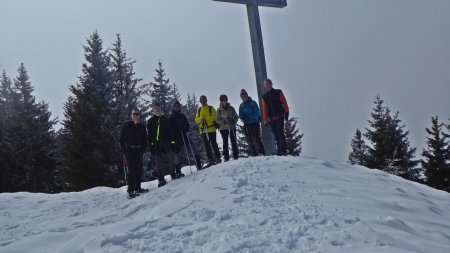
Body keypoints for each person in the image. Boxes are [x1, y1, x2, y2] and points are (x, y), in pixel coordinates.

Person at [147, 103, 177, 187]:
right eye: (156, 109)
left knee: (171, 156)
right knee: (158, 161)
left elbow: (170, 132)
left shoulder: (165, 119)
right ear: (153, 110)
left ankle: (172, 173)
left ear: (161, 110)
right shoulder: (150, 121)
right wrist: (151, 146)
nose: (157, 110)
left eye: (159, 108)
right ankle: (161, 179)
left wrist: (173, 142)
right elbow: (149, 135)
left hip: (166, 141)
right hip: (156, 143)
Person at [120, 108, 148, 198]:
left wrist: (143, 149)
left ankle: (138, 187)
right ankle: (130, 190)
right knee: (131, 170)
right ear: (131, 116)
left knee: (139, 169)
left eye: (137, 114)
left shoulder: (142, 126)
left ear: (139, 116)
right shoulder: (127, 125)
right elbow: (121, 139)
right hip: (129, 150)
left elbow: (145, 138)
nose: (136, 116)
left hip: (139, 150)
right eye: (134, 114)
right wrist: (124, 150)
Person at [262, 78, 289, 156]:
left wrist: (286, 116)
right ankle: (279, 151)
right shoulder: (264, 96)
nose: (268, 85)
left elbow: (285, 104)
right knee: (276, 134)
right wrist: (265, 120)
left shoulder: (278, 92)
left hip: (280, 116)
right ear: (265, 86)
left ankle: (283, 151)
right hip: (272, 118)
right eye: (266, 84)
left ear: (271, 84)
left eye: (269, 83)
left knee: (280, 133)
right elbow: (264, 109)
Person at [195, 95, 221, 167]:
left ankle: (218, 158)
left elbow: (215, 117)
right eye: (201, 100)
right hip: (203, 130)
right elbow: (196, 119)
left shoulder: (211, 108)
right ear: (200, 101)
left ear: (206, 100)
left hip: (211, 129)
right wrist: (201, 119)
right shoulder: (199, 110)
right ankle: (211, 160)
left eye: (204, 99)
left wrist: (205, 119)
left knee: (214, 144)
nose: (203, 101)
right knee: (207, 146)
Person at [238, 89, 265, 156]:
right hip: (246, 124)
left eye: (245, 94)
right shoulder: (241, 106)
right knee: (249, 139)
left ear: (247, 95)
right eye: (242, 95)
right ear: (241, 97)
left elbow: (257, 112)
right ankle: (254, 154)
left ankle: (261, 152)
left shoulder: (253, 103)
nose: (244, 96)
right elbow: (240, 115)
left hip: (254, 123)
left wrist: (249, 117)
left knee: (256, 138)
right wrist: (244, 119)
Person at [168, 100, 190, 177]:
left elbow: (187, 126)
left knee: (180, 154)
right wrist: (172, 138)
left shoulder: (182, 116)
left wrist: (184, 128)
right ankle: (176, 172)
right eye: (175, 106)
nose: (177, 108)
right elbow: (169, 129)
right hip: (175, 139)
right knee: (176, 155)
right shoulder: (171, 117)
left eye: (178, 106)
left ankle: (178, 171)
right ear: (173, 108)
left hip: (183, 138)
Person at [216, 94, 239, 161]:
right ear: (221, 101)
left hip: (231, 126)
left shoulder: (231, 108)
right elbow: (217, 120)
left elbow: (236, 117)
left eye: (225, 99)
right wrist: (224, 122)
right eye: (223, 100)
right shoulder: (219, 110)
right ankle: (226, 157)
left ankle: (236, 155)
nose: (224, 101)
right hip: (223, 128)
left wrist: (233, 121)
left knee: (233, 141)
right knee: (225, 142)